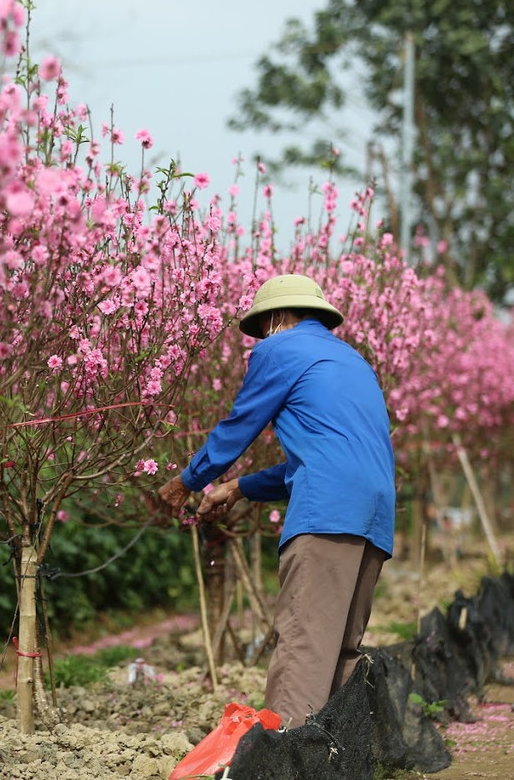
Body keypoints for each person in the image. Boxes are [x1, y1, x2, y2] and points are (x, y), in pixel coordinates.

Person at [157, 273, 395, 730]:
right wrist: (238, 487)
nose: (260, 340)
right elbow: (330, 458)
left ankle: (287, 755)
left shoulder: (279, 348)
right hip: (375, 512)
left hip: (326, 514)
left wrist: (187, 480)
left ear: (279, 317)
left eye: (262, 328)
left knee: (304, 641)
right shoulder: (354, 361)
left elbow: (240, 425)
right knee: (342, 646)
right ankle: (338, 753)